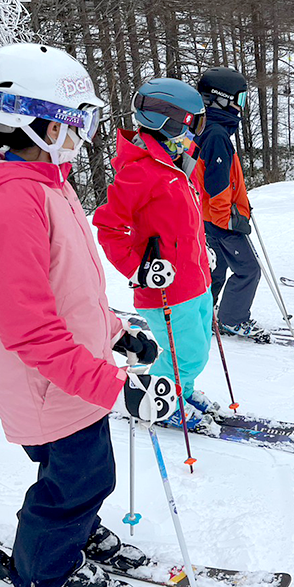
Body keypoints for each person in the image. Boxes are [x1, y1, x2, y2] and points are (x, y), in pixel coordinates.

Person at [0, 43, 178, 587]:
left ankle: (74, 529)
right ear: (30, 122)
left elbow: (69, 290)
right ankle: (45, 573)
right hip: (48, 382)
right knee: (80, 479)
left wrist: (115, 330)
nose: (83, 133)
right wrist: (117, 388)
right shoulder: (8, 204)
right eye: (75, 119)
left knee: (78, 477)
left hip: (71, 372)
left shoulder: (44, 182)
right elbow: (31, 329)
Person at [93, 77, 219, 429]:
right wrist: (139, 270)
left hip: (195, 279)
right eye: (191, 123)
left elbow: (182, 224)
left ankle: (182, 389)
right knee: (185, 354)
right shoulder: (141, 171)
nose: (194, 132)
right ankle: (160, 401)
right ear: (168, 121)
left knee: (198, 348)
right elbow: (109, 227)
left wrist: (202, 251)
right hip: (166, 288)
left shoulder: (178, 165)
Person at [192, 67, 266, 341]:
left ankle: (201, 311)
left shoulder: (205, 128)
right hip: (220, 219)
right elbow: (217, 186)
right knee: (248, 270)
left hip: (208, 217)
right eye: (240, 99)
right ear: (222, 99)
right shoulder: (217, 135)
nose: (241, 106)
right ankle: (232, 320)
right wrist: (230, 219)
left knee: (216, 268)